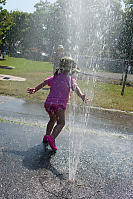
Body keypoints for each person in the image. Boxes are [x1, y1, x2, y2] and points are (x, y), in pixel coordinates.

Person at [27, 57, 88, 152]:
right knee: (61, 123)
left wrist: (35, 89)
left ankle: (47, 136)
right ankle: (52, 138)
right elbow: (76, 88)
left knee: (52, 119)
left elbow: (44, 83)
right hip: (59, 105)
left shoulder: (55, 76)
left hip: (48, 103)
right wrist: (82, 96)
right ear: (71, 69)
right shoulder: (70, 79)